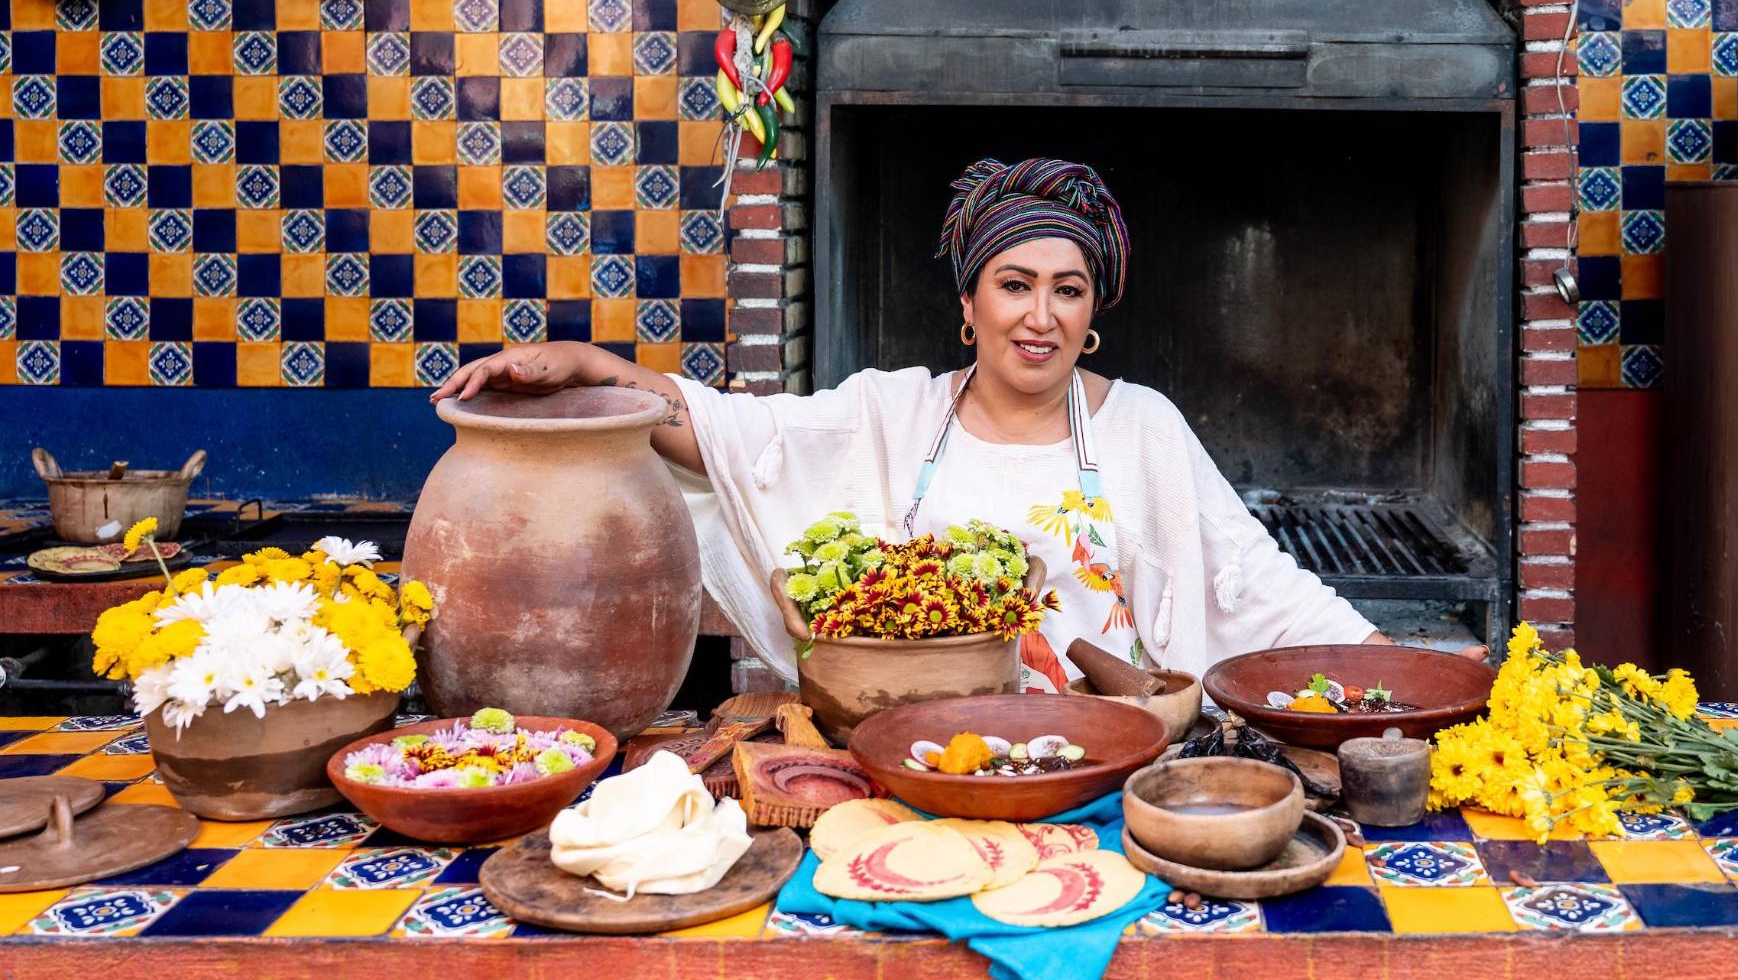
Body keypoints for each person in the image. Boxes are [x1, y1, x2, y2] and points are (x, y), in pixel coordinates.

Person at [431, 157, 1484, 690]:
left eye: (1067, 290)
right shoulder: (892, 413)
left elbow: (1248, 578)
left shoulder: (1141, 429)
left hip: (1102, 752)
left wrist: (1389, 662)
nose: (1040, 315)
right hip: (921, 747)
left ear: (1092, 314)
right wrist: (589, 366)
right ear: (969, 304)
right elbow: (727, 439)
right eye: (1014, 284)